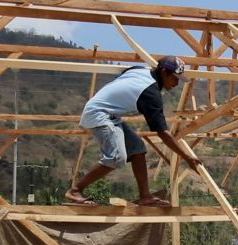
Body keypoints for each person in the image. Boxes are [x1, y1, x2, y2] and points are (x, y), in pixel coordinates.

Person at [65, 55, 201, 206]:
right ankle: (75, 190)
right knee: (116, 158)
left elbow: (124, 76)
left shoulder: (141, 70)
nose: (177, 83)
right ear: (164, 72)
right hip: (100, 114)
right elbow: (163, 133)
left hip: (109, 114)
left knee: (137, 148)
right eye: (175, 78)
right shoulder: (150, 93)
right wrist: (187, 157)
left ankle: (145, 197)